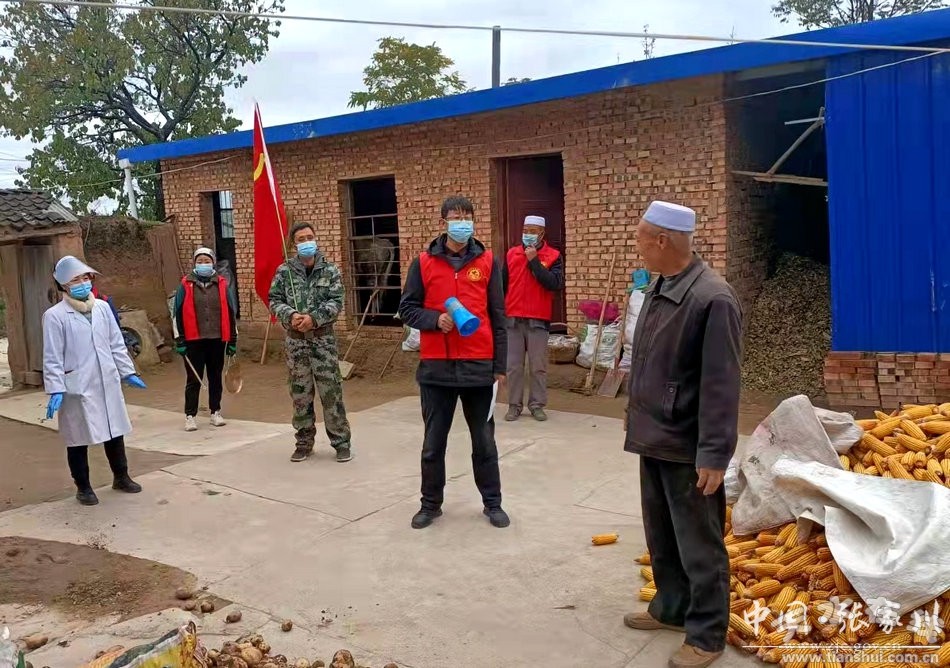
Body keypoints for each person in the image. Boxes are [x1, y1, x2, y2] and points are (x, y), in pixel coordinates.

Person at [622, 201, 743, 668]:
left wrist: (714, 453)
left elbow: (721, 384)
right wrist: (635, 414)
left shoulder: (713, 298)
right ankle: (671, 607)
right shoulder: (660, 286)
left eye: (640, 238)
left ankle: (707, 635)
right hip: (653, 433)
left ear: (662, 240)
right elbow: (648, 360)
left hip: (687, 444)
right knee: (662, 535)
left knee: (699, 544)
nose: (637, 247)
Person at [398, 196, 509, 529]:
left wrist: (500, 366)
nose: (462, 223)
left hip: (479, 367)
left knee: (484, 442)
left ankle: (493, 503)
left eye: (467, 217)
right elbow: (407, 308)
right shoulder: (423, 263)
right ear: (443, 223)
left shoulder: (488, 261)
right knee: (434, 444)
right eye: (456, 217)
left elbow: (498, 316)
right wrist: (435, 320)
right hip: (437, 369)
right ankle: (430, 505)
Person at [42, 255, 147, 506]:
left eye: (85, 277)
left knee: (114, 431)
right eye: (75, 280)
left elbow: (116, 343)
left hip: (106, 380)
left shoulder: (102, 307)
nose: (82, 283)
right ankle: (83, 487)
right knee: (78, 438)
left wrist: (127, 371)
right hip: (77, 386)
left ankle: (121, 476)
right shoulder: (54, 316)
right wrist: (56, 389)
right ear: (63, 284)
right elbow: (52, 356)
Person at [268, 222, 353, 463]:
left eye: (310, 237)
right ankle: (304, 443)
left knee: (331, 393)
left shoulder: (330, 270)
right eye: (301, 239)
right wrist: (291, 315)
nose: (307, 242)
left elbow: (336, 301)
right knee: (300, 394)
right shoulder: (284, 271)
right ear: (294, 244)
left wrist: (314, 319)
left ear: (316, 239)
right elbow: (274, 300)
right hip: (296, 344)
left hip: (322, 341)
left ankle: (341, 442)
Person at [502, 215, 564, 422]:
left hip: (538, 319)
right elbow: (502, 284)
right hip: (513, 318)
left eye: (532, 231)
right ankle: (514, 405)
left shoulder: (553, 256)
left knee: (538, 366)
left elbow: (554, 283)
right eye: (525, 230)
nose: (528, 234)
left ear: (542, 234)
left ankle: (537, 405)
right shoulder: (511, 254)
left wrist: (534, 262)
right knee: (513, 366)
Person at [172, 247, 238, 432]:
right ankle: (190, 415)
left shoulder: (222, 284)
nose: (203, 264)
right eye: (200, 261)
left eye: (207, 261)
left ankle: (215, 412)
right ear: (194, 263)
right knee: (194, 379)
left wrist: (232, 340)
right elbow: (176, 314)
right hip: (193, 340)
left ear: (213, 262)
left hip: (217, 339)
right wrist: (179, 340)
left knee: (215, 377)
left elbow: (231, 313)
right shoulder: (185, 285)